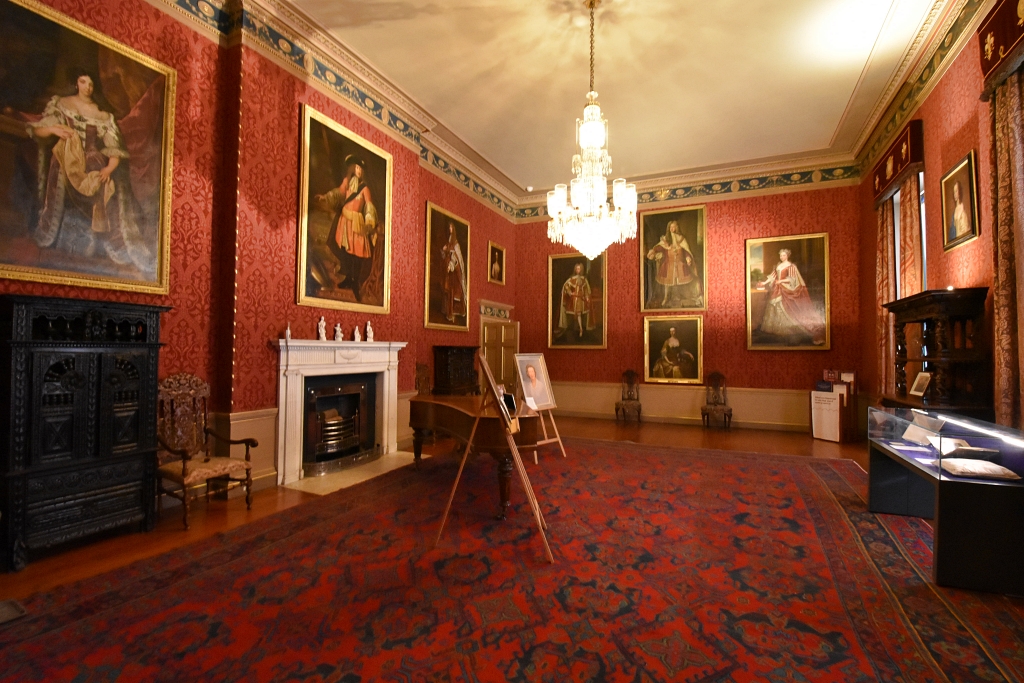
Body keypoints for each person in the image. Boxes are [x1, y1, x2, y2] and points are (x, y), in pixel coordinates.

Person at [28, 71, 152, 276]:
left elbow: (114, 148)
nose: (87, 86)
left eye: (91, 83)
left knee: (101, 181)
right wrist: (54, 131)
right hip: (67, 157)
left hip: (94, 160)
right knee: (63, 179)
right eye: (83, 81)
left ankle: (92, 244)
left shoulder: (103, 115)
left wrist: (109, 168)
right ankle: (62, 241)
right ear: (76, 83)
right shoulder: (63, 104)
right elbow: (40, 129)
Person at [316, 155, 379, 302]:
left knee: (357, 255)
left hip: (356, 222)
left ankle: (354, 282)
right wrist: (326, 197)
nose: (358, 171)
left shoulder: (365, 188)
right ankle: (348, 278)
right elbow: (338, 192)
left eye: (360, 168)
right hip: (344, 222)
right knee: (345, 251)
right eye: (356, 167)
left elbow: (369, 206)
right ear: (352, 168)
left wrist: (369, 222)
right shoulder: (347, 183)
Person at [756, 248, 826, 345]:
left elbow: (792, 279)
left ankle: (788, 330)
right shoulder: (778, 265)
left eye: (784, 255)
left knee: (786, 307)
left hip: (785, 288)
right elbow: (773, 276)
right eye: (780, 255)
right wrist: (764, 282)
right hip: (777, 288)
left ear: (787, 256)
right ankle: (777, 329)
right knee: (775, 306)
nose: (782, 257)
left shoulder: (791, 266)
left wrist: (781, 281)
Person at [646, 220, 702, 306]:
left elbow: (686, 250)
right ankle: (666, 297)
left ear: (677, 228)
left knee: (679, 283)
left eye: (674, 227)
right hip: (668, 264)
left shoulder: (681, 239)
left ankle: (678, 297)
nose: (672, 228)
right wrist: (653, 251)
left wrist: (687, 258)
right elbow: (659, 247)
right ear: (669, 228)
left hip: (680, 264)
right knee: (667, 284)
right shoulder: (666, 239)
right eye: (671, 227)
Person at [558, 262, 595, 338]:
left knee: (579, 314)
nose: (578, 270)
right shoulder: (572, 278)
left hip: (581, 299)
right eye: (577, 268)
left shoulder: (584, 279)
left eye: (579, 268)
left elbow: (586, 290)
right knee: (577, 314)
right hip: (575, 299)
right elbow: (566, 286)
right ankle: (579, 329)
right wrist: (570, 293)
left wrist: (587, 297)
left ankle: (579, 328)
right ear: (575, 269)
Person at [440, 222, 467, 322]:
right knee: (448, 291)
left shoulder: (455, 244)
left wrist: (450, 265)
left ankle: (454, 313)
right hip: (450, 272)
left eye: (451, 227)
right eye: (449, 227)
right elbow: (446, 255)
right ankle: (449, 312)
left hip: (455, 272)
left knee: (453, 292)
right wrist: (444, 250)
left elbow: (456, 258)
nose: (450, 229)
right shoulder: (450, 241)